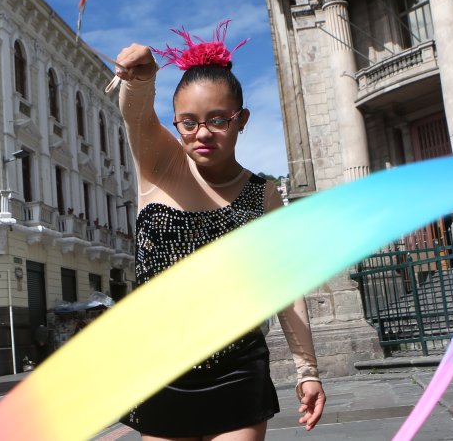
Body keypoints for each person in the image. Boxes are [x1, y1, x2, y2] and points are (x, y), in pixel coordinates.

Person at [112, 22, 326, 440]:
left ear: (241, 120)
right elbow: (135, 113)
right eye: (187, 123)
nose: (201, 134)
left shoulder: (262, 194)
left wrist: (308, 371)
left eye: (217, 120)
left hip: (237, 371)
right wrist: (142, 78)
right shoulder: (158, 166)